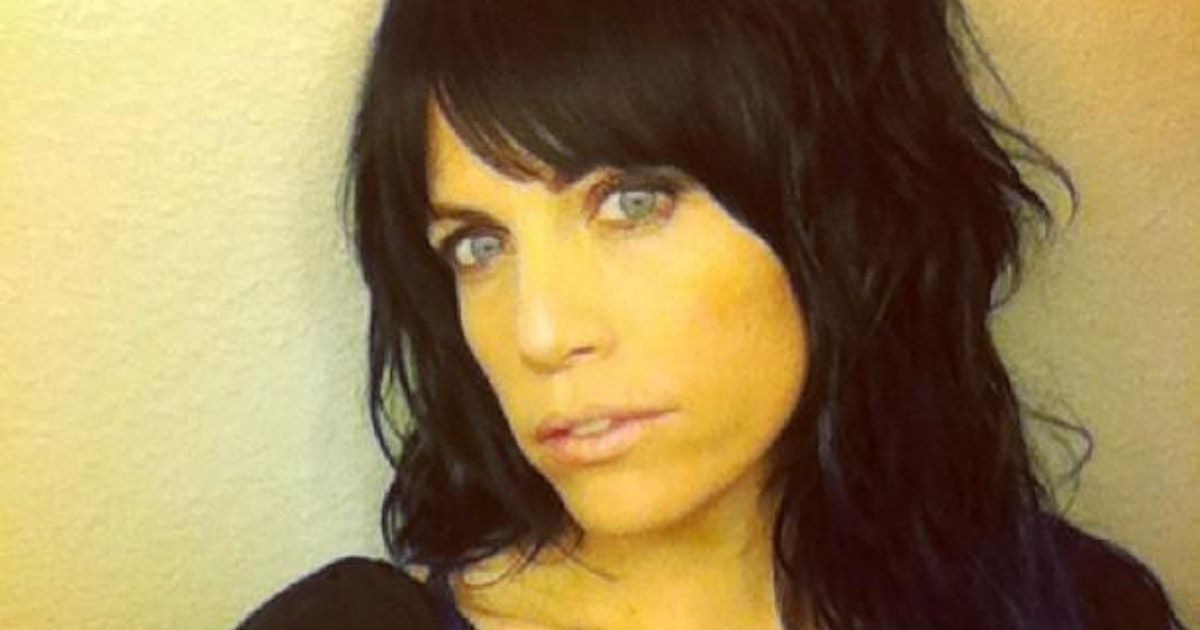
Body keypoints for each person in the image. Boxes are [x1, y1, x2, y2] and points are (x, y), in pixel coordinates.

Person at [238, 0, 1189, 628]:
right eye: (479, 245)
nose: (539, 333)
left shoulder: (1080, 607)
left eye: (632, 202)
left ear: (842, 211)